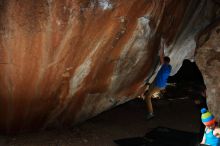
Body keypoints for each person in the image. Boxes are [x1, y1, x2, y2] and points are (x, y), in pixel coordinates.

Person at [142, 38, 172, 119]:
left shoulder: (165, 66)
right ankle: (148, 87)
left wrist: (162, 43)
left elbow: (162, 55)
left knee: (147, 97)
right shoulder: (169, 67)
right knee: (150, 86)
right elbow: (163, 58)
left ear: (165, 62)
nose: (160, 61)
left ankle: (151, 113)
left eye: (162, 61)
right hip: (159, 84)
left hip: (158, 85)